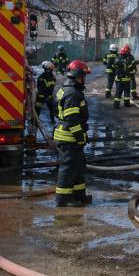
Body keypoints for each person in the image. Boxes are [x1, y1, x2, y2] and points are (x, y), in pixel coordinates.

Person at [53, 60, 92, 207]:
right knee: (68, 169)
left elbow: (57, 112)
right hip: (69, 138)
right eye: (84, 76)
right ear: (79, 76)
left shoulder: (65, 90)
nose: (84, 79)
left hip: (70, 137)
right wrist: (80, 137)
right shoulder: (73, 94)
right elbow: (72, 120)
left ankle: (79, 196)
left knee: (78, 167)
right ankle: (63, 199)